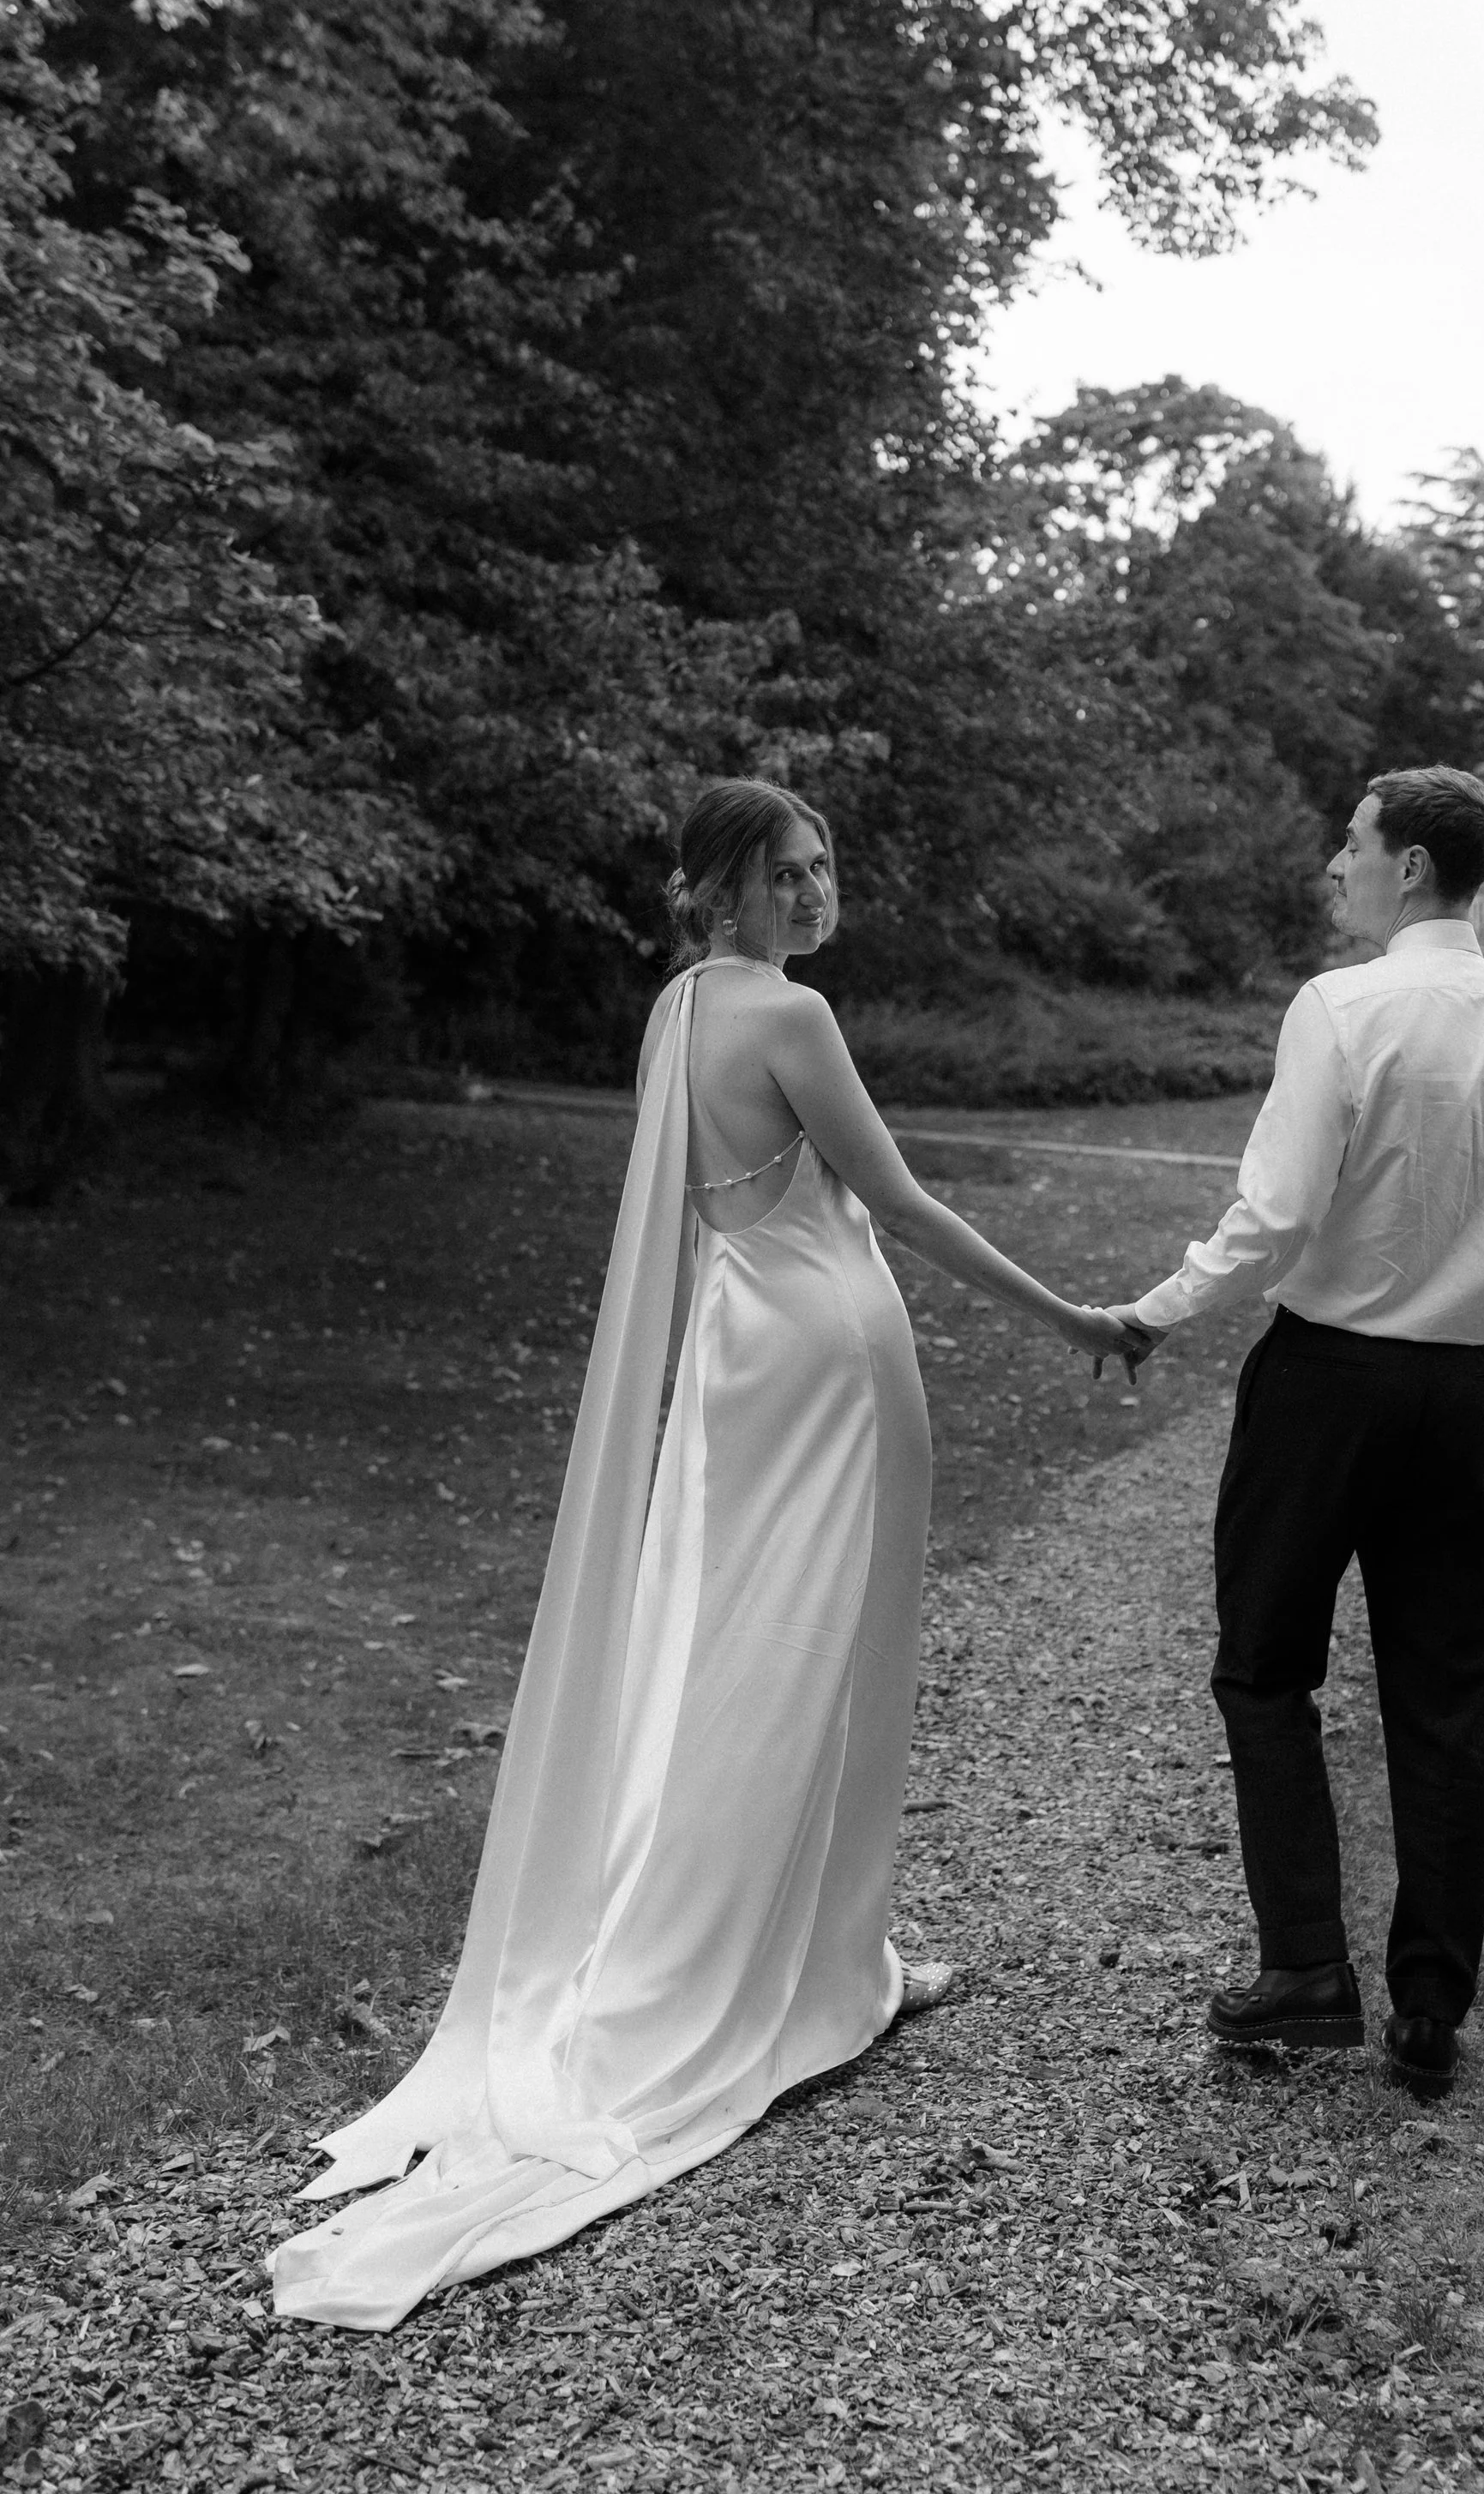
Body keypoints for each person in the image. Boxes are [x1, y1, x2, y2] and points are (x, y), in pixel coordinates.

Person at [272, 782, 1136, 2329]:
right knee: (834, 1668)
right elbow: (903, 1205)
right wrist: (1073, 1315)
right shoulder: (786, 1017)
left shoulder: (679, 1011)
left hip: (744, 1350)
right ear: (721, 893)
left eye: (822, 865)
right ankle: (816, 1974)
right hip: (835, 1353)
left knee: (750, 1649)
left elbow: (711, 1208)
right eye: (783, 875)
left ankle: (816, 1952)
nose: (812, 894)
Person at [1108, 766, 1484, 2098]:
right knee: (1444, 1695)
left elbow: (1271, 1214)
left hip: (1325, 1384)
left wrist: (1155, 1312)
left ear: (1415, 868)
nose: (1337, 865)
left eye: (1354, 843)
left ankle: (1306, 1973)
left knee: (1265, 1667)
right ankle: (1429, 2009)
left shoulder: (1340, 1008)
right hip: (1463, 1397)